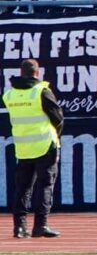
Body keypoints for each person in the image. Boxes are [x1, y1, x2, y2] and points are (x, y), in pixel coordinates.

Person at [3, 58, 64, 238]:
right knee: (45, 185)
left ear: (21, 72)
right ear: (37, 73)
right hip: (45, 145)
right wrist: (56, 136)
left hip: (23, 147)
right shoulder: (41, 91)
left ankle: (19, 227)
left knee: (23, 187)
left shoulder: (9, 95)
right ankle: (40, 225)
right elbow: (58, 117)